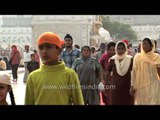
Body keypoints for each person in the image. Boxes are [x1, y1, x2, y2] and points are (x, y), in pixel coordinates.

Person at [25, 32, 84, 105]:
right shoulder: (32, 77)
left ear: (59, 51)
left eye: (48, 47)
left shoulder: (70, 75)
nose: (44, 51)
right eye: (41, 48)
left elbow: (78, 101)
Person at [130, 38, 160, 105]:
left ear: (151, 46)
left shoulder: (156, 57)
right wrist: (132, 86)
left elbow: (159, 71)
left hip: (154, 85)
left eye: (146, 44)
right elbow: (134, 72)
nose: (144, 46)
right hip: (140, 87)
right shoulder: (137, 57)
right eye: (143, 44)